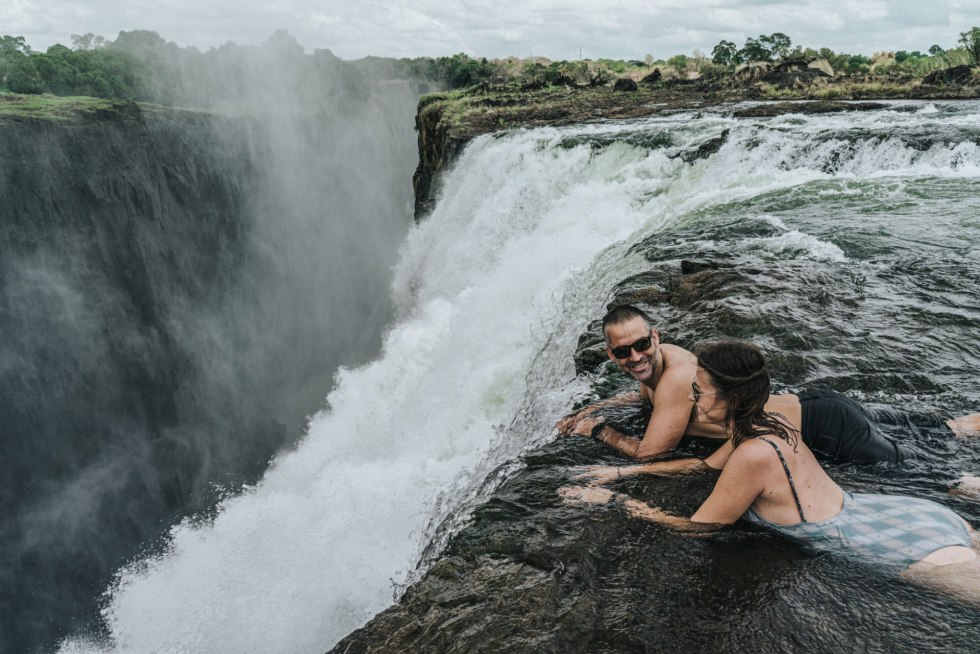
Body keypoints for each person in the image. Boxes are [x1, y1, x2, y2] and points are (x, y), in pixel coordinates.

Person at [560, 339, 980, 605]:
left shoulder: (752, 454)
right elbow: (704, 465)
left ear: (729, 398)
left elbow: (696, 528)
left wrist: (614, 502)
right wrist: (620, 474)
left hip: (900, 547)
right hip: (909, 515)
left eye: (699, 392)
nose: (692, 399)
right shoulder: (769, 422)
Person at [557, 304, 980, 464]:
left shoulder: (677, 377)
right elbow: (647, 396)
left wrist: (598, 430)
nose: (635, 357)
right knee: (949, 429)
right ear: (611, 354)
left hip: (824, 427)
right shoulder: (658, 363)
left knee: (931, 469)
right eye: (623, 351)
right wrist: (597, 408)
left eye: (640, 345)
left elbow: (650, 454)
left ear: (655, 336)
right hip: (820, 405)